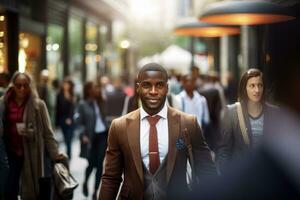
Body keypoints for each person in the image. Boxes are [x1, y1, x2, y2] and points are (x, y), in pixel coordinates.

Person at [99, 62, 216, 200]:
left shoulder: (188, 124)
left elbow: (207, 170)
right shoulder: (120, 126)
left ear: (167, 88)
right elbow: (111, 178)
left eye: (159, 85)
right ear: (138, 88)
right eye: (146, 85)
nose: (153, 91)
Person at [1, 72, 66, 200]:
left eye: (25, 85)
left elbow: (48, 133)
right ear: (12, 86)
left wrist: (55, 154)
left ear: (30, 86)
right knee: (10, 188)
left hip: (32, 153)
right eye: (18, 85)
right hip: (11, 152)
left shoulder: (38, 105)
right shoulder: (4, 103)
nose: (22, 89)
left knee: (31, 191)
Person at [216, 68, 277, 172]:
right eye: (252, 86)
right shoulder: (231, 112)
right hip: (240, 178)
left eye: (260, 85)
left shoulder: (274, 113)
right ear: (245, 88)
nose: (257, 90)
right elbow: (224, 151)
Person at [75, 82, 108, 200]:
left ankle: (95, 192)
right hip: (91, 138)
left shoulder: (101, 102)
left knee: (100, 165)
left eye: (97, 88)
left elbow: (105, 117)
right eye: (95, 88)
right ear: (88, 90)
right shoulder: (83, 104)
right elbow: (78, 122)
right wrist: (83, 134)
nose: (97, 90)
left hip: (103, 136)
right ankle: (85, 182)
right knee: (91, 164)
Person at [55, 77, 76, 159]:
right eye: (65, 84)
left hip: (71, 120)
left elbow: (73, 109)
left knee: (69, 140)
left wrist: (70, 118)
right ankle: (67, 156)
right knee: (66, 139)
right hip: (62, 119)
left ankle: (69, 156)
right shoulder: (59, 95)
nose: (66, 86)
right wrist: (57, 123)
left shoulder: (72, 95)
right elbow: (58, 109)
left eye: (68, 84)